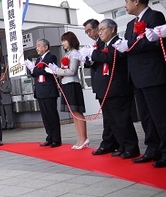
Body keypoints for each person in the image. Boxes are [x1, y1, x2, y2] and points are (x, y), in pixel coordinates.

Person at [113, 0, 166, 168]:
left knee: (160, 115)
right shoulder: (129, 25)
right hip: (136, 76)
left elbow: (153, 42)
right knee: (145, 116)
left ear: (137, 1)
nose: (125, 5)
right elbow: (130, 46)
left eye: (127, 1)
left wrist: (129, 46)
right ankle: (152, 149)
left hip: (152, 75)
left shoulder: (155, 17)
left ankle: (165, 151)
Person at [80, 19, 140, 159]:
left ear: (112, 29)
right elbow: (98, 61)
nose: (99, 32)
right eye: (99, 30)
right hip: (105, 88)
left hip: (117, 88)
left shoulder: (118, 43)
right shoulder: (102, 45)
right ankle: (122, 146)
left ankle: (131, 147)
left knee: (122, 120)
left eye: (102, 29)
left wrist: (93, 53)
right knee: (112, 122)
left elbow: (109, 57)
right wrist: (88, 57)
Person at [83, 19, 118, 155]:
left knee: (114, 119)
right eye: (86, 32)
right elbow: (95, 62)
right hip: (101, 84)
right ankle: (109, 143)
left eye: (90, 30)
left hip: (111, 85)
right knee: (108, 118)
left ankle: (110, 143)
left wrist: (92, 54)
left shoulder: (107, 43)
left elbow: (106, 58)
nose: (89, 34)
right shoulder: (98, 44)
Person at [46, 32, 88, 150]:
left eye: (65, 40)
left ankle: (84, 138)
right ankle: (80, 138)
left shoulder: (74, 53)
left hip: (72, 85)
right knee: (73, 113)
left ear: (70, 40)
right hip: (66, 84)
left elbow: (72, 71)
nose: (63, 43)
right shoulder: (68, 54)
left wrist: (57, 70)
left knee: (77, 112)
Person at [24, 39, 61, 148]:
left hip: (49, 90)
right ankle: (49, 137)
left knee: (52, 115)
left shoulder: (51, 57)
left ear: (46, 47)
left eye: (39, 46)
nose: (37, 48)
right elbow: (35, 74)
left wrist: (34, 69)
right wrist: (33, 69)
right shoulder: (38, 59)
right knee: (45, 116)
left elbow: (45, 70)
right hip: (40, 90)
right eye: (37, 46)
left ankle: (56, 139)